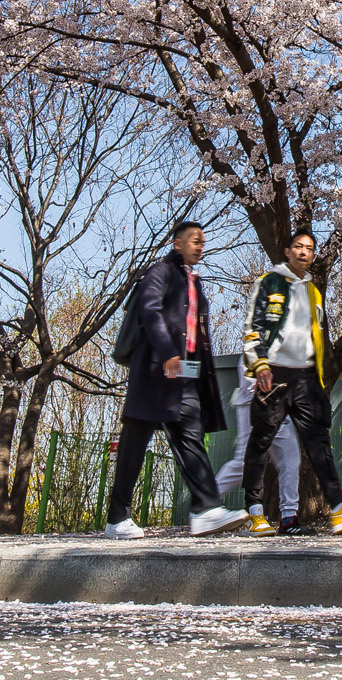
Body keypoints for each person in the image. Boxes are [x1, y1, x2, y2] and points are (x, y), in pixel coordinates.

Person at [104, 222, 245, 538]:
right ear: (177, 243)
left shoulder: (193, 281)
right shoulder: (161, 273)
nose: (200, 246)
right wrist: (168, 350)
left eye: (203, 242)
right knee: (134, 445)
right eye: (195, 241)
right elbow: (149, 311)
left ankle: (206, 510)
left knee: (191, 439)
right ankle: (117, 519)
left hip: (184, 377)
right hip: (155, 374)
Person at [238, 229, 342, 536]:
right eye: (298, 247)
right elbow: (254, 324)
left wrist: (317, 377)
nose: (303, 252)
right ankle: (254, 511)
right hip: (273, 373)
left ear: (313, 256)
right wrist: (259, 363)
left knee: (319, 443)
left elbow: (318, 338)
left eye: (309, 249)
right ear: (288, 251)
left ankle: (340, 506)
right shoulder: (271, 281)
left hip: (305, 378)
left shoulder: (314, 291)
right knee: (261, 442)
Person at [213, 368, 301, 534]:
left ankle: (289, 518)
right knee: (243, 462)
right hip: (253, 402)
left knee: (290, 460)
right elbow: (251, 354)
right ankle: (206, 505)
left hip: (279, 403)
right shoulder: (253, 344)